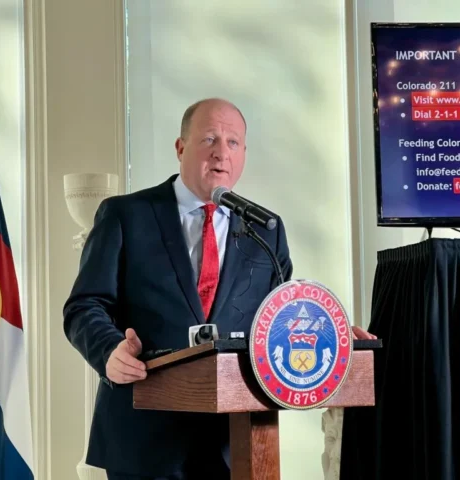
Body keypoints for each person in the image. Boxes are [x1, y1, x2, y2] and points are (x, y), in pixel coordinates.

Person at [63, 98, 375, 480]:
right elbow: (84, 306)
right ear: (180, 147)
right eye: (209, 139)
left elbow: (281, 318)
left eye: (233, 142)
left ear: (243, 153)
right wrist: (109, 350)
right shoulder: (125, 215)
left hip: (234, 442)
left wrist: (333, 338)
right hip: (142, 438)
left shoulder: (265, 230)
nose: (221, 152)